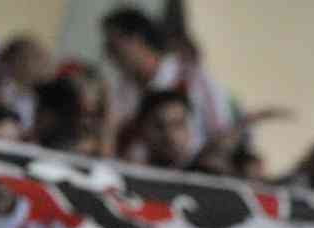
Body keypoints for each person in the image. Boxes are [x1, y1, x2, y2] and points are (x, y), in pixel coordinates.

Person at [100, 6, 234, 158]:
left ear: (136, 39)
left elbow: (222, 135)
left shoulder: (191, 77)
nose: (108, 54)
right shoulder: (120, 91)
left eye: (113, 45)